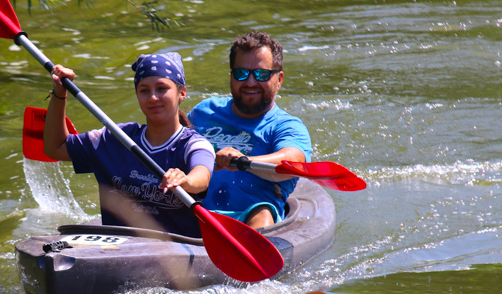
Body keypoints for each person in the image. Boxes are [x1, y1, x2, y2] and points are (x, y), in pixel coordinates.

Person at [43, 53, 215, 238]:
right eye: (144, 90)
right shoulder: (114, 137)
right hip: (120, 250)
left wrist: (186, 181)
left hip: (175, 257)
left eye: (162, 88)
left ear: (182, 93)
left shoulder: (194, 144)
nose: (153, 98)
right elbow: (55, 147)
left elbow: (202, 176)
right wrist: (60, 93)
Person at [189, 32, 312, 229]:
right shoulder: (204, 112)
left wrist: (242, 161)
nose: (251, 82)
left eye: (262, 74)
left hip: (249, 221)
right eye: (241, 73)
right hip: (193, 212)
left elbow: (293, 161)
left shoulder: (287, 126)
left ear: (279, 79)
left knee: (261, 211)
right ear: (231, 76)